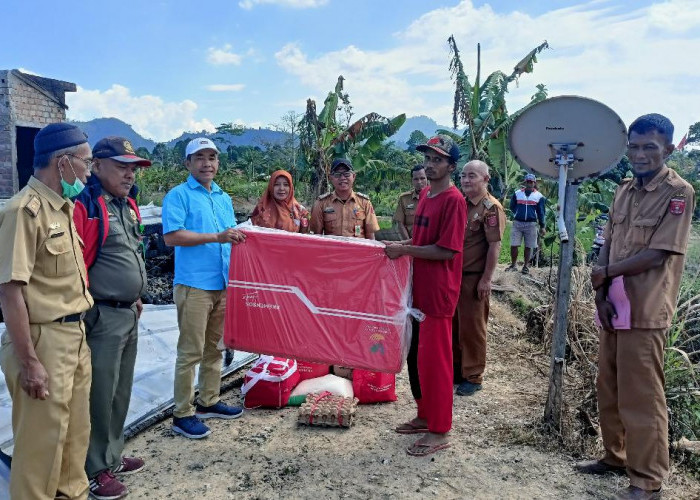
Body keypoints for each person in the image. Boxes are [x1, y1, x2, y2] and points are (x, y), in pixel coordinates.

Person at [575, 114, 694, 500]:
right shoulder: (624, 189)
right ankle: (616, 456)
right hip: (614, 304)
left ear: (668, 150)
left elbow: (659, 252)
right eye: (634, 147)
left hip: (645, 310)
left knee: (641, 395)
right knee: (608, 385)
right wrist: (601, 291)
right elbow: (607, 241)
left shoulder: (678, 192)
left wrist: (604, 272)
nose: (639, 155)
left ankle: (647, 480)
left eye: (649, 148)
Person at [0, 122, 94, 499]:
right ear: (63, 162)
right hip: (43, 341)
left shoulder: (64, 209)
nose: (88, 171)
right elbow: (9, 293)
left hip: (75, 336)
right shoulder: (23, 211)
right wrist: (30, 362)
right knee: (40, 452)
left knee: (74, 441)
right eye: (85, 163)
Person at [73, 136, 151, 499]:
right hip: (101, 313)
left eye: (133, 167)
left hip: (128, 311)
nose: (129, 174)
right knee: (99, 394)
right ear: (97, 165)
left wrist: (135, 295)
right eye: (122, 166)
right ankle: (95, 468)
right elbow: (76, 264)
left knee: (121, 390)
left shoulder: (127, 205)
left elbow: (130, 252)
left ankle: (113, 455)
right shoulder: (86, 206)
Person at [385, 135, 467, 456]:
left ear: (451, 165)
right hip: (418, 289)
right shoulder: (425, 197)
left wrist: (404, 249)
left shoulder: (453, 200)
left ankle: (440, 429)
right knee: (419, 359)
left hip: (438, 293)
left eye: (437, 160)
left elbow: (446, 251)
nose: (431, 165)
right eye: (428, 159)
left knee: (437, 363)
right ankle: (424, 415)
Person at [162, 137, 246, 440]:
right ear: (188, 163)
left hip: (222, 283)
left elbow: (232, 236)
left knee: (215, 348)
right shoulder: (179, 195)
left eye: (212, 157)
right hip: (194, 285)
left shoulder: (223, 197)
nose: (206, 163)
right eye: (199, 157)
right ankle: (182, 414)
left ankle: (209, 400)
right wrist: (216, 237)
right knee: (190, 352)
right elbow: (172, 237)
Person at [452, 160, 506, 396]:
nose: (465, 180)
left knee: (473, 329)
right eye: (463, 175)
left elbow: (494, 246)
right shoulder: (461, 204)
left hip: (474, 278)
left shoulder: (491, 208)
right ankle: (457, 370)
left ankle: (473, 376)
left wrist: (486, 279)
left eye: (471, 176)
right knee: (454, 326)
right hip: (454, 276)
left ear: (486, 179)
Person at [309, 158, 380, 239]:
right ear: (331, 178)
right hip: (332, 250)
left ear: (353, 176)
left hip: (357, 250)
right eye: (337, 175)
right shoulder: (321, 203)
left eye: (346, 174)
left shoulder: (364, 203)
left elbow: (370, 236)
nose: (342, 178)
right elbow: (316, 236)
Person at [507, 173, 545, 274]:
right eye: (528, 182)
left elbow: (541, 212)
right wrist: (518, 213)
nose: (529, 184)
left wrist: (542, 226)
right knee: (514, 244)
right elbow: (512, 206)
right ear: (525, 182)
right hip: (518, 223)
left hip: (531, 224)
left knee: (529, 246)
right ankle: (513, 264)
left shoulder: (539, 196)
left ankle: (525, 266)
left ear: (534, 183)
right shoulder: (517, 193)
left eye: (531, 182)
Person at [393, 164, 428, 239]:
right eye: (416, 179)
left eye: (422, 178)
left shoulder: (437, 197)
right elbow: (400, 223)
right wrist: (409, 243)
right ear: (412, 180)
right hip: (410, 242)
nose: (419, 182)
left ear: (427, 178)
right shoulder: (404, 199)